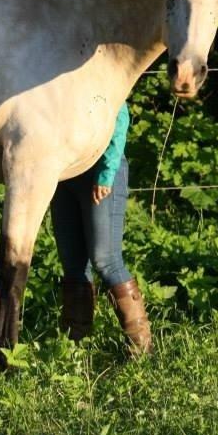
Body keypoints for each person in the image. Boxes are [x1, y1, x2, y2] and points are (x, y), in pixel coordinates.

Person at [50, 102, 151, 354]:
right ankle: (75, 347)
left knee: (105, 259)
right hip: (64, 173)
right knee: (72, 265)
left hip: (99, 170)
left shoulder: (100, 66)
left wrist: (106, 173)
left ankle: (142, 349)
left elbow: (120, 116)